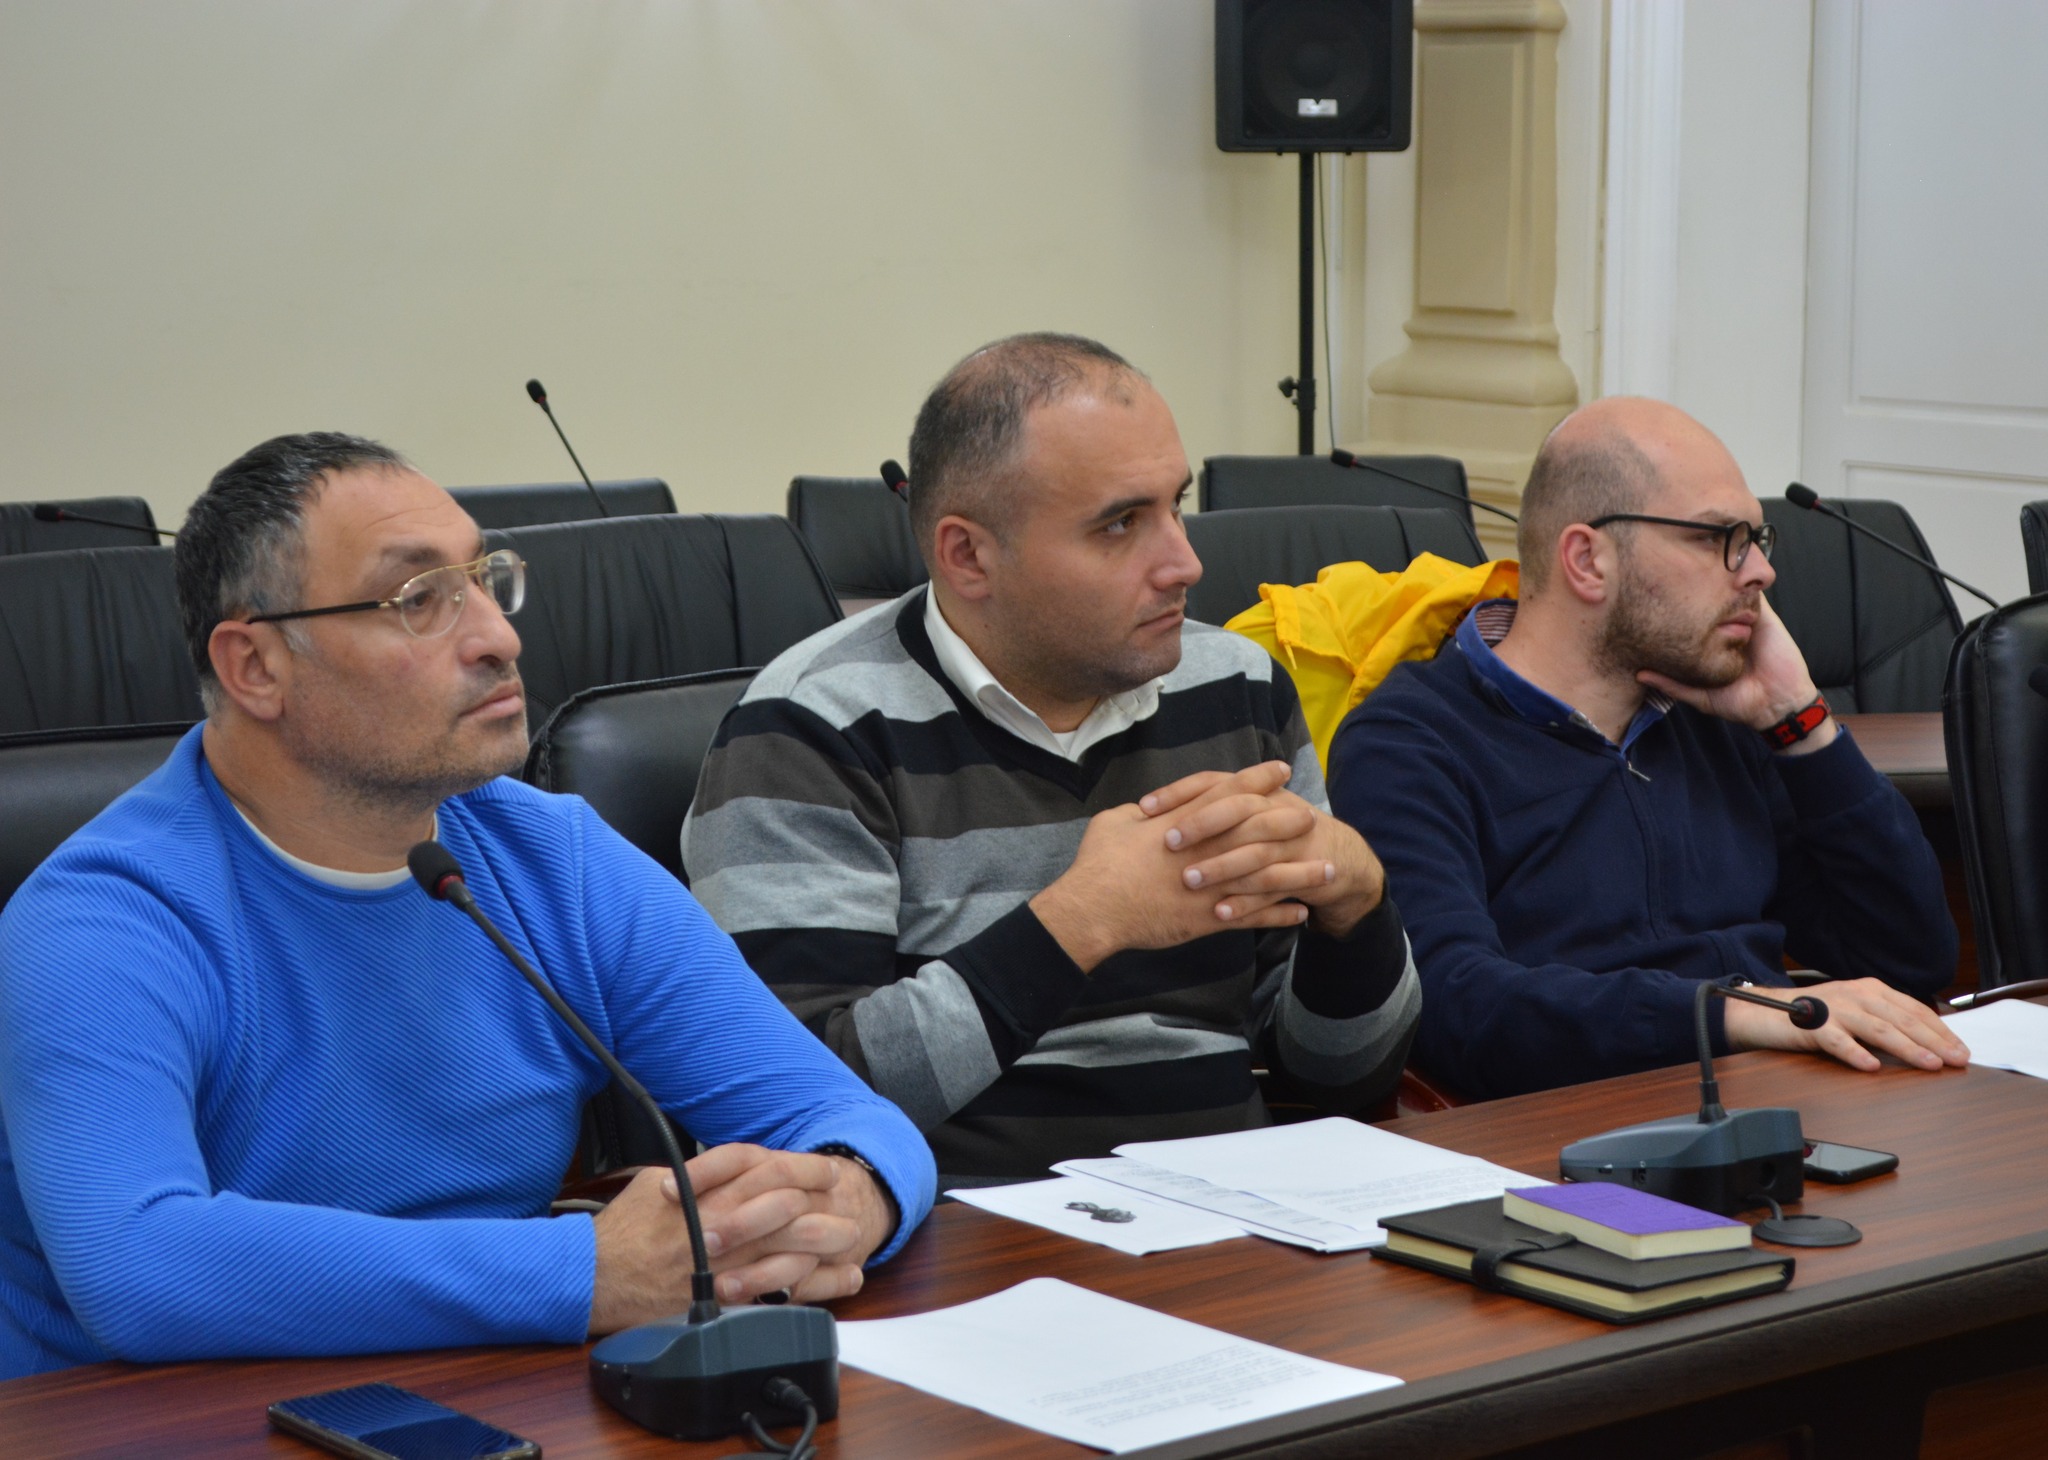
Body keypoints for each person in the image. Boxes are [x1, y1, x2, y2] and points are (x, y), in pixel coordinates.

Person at [0, 433, 934, 1380]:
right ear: (256, 668)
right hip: (155, 1419)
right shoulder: (102, 920)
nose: (499, 637)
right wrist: (586, 1271)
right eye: (419, 599)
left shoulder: (553, 858)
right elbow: (136, 1263)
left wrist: (854, 1196)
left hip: (478, 1387)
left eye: (484, 580)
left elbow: (840, 1114)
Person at [682, 334, 1419, 1184]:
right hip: (955, 1234)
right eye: (1120, 524)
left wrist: (1359, 910)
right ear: (968, 556)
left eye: (1176, 506)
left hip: (1238, 1212)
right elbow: (790, 1111)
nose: (1185, 562)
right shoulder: (808, 731)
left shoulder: (1237, 687)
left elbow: (1343, 1081)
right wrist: (1083, 922)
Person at [1327, 397, 1966, 1101]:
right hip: (1563, 1136)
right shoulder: (1410, 741)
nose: (1760, 571)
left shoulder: (1716, 722)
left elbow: (1910, 960)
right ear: (1588, 560)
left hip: (1766, 1105)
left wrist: (1800, 721)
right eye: (1719, 538)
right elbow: (1456, 1006)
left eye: (1757, 539)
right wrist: (1730, 1012)